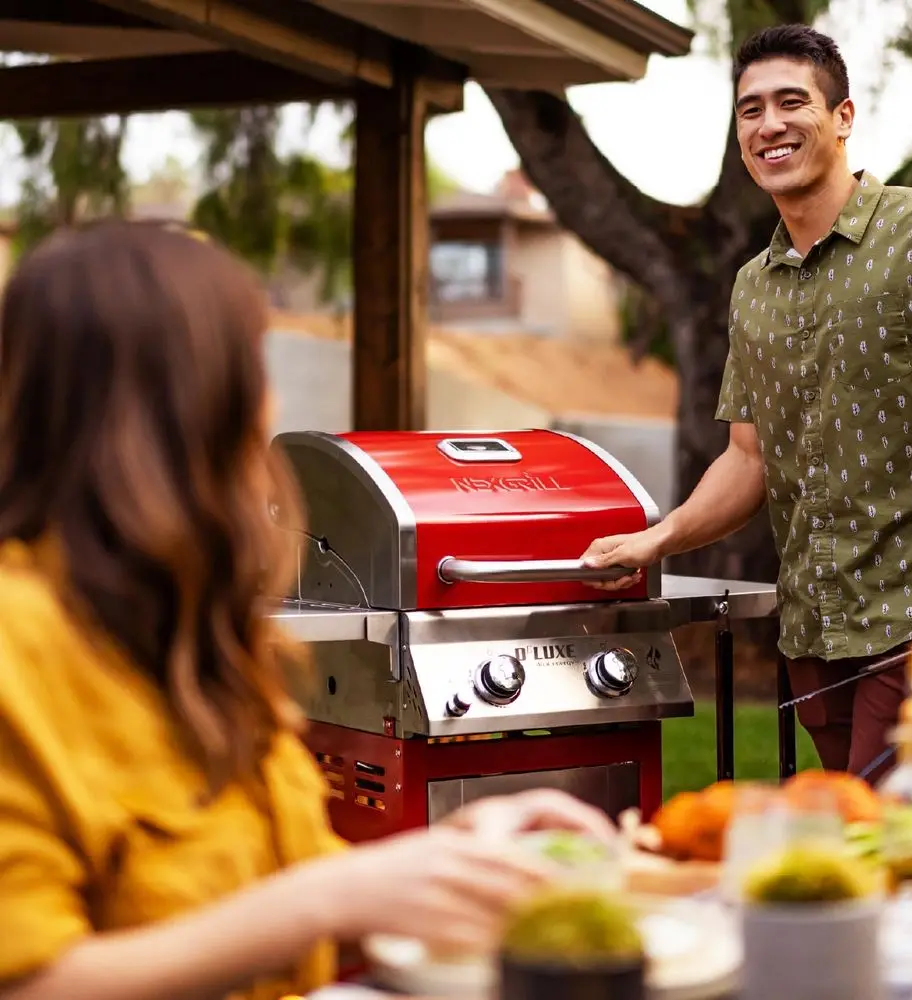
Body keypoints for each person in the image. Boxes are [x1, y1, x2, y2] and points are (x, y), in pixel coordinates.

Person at [0, 221, 616, 1000]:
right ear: (185, 403)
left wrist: (453, 857)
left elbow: (272, 888)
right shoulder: (18, 641)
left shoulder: (186, 622)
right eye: (252, 370)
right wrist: (329, 900)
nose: (273, 404)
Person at [582, 24, 912, 781]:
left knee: (891, 844)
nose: (768, 124)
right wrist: (659, 537)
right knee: (850, 853)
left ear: (842, 117)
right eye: (750, 110)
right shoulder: (753, 285)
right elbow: (750, 457)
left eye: (790, 102)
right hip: (813, 634)